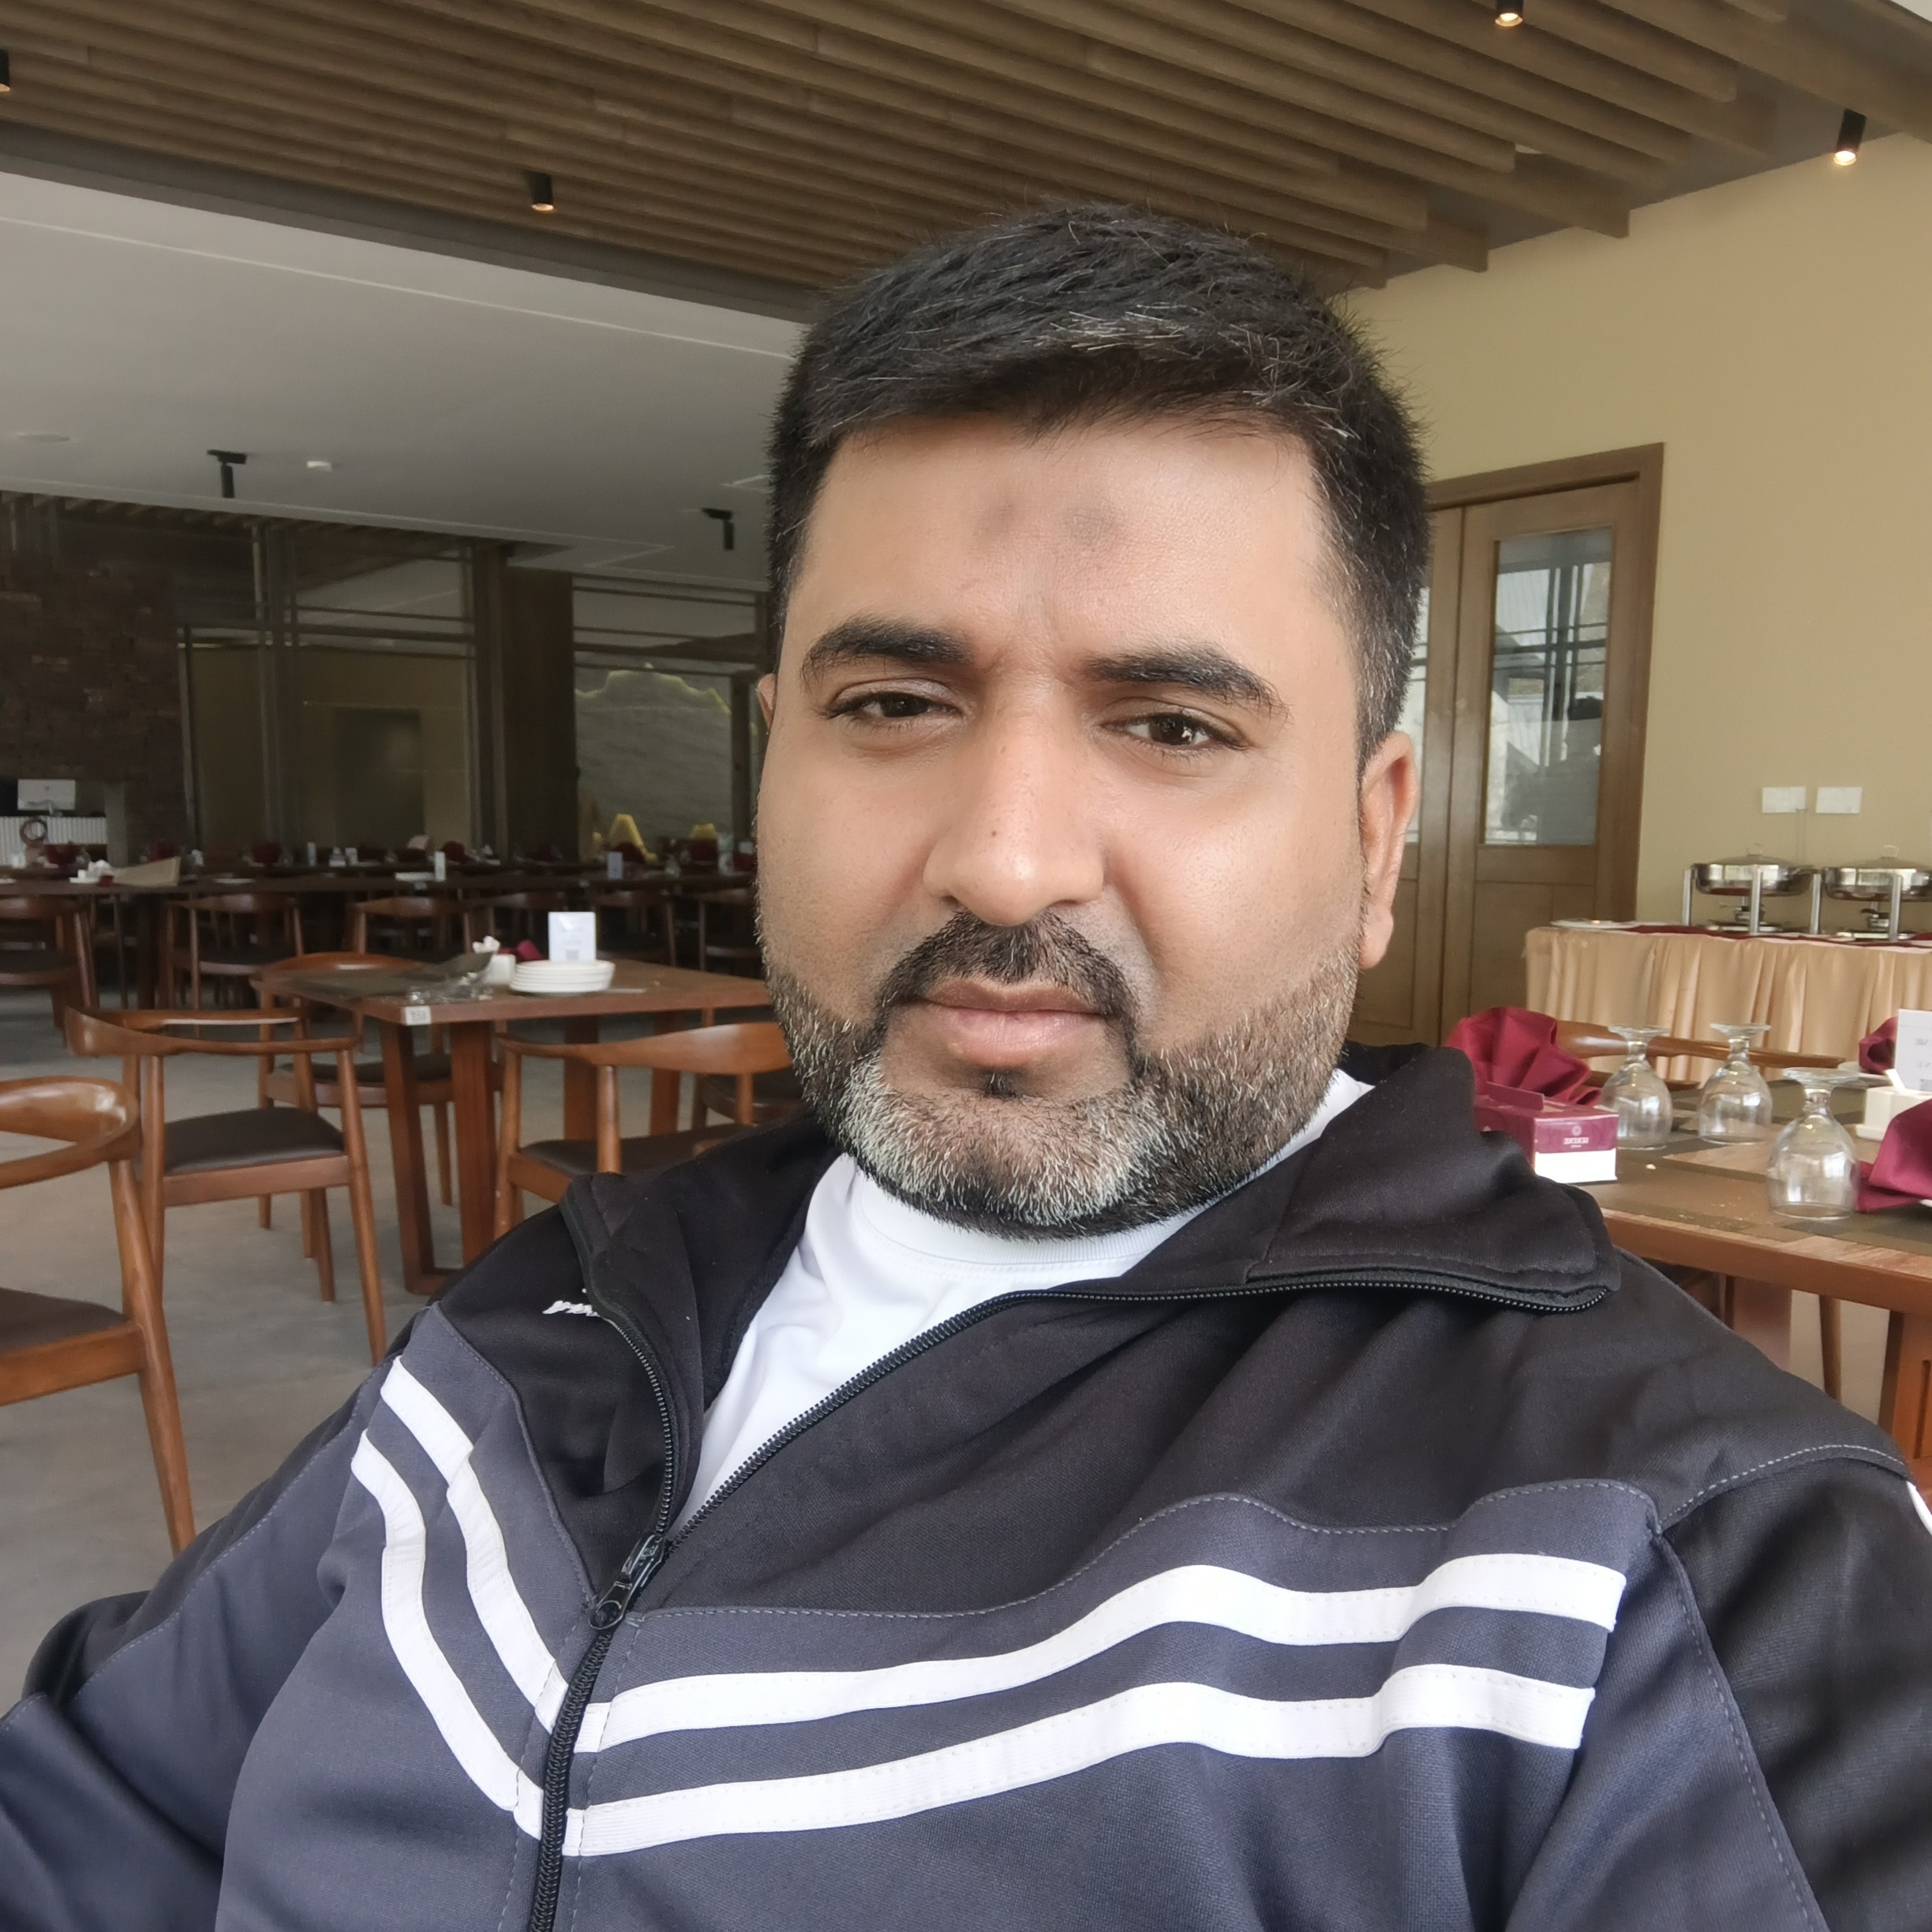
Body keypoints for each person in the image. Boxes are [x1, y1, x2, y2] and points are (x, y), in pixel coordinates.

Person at [4, 206, 1929, 1932]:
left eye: (1172, 725)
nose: (1005, 861)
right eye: (895, 703)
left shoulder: (1678, 1558)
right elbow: (92, 1807)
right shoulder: (545, 1317)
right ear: (774, 755)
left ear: (1375, 840)